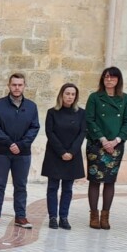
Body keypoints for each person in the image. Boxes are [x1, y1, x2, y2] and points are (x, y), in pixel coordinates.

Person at [0, 73, 40, 229]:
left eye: (20, 85)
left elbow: (34, 127)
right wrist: (10, 143)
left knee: (21, 186)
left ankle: (21, 217)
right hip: (1, 152)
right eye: (14, 85)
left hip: (22, 154)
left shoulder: (31, 106)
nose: (17, 88)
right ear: (9, 85)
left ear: (24, 86)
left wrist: (21, 145)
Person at [85, 66, 127, 230]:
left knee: (109, 181)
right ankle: (94, 215)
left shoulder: (124, 98)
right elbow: (89, 120)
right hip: (96, 144)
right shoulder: (95, 97)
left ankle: (105, 216)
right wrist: (104, 140)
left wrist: (116, 140)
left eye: (112, 77)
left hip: (116, 145)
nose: (109, 80)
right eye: (106, 77)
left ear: (118, 80)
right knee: (94, 181)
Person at [41, 83, 86, 230]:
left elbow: (82, 134)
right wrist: (62, 152)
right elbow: (50, 133)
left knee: (68, 188)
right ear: (61, 95)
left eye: (73, 94)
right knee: (53, 187)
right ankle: (53, 217)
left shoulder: (81, 113)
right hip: (55, 154)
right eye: (67, 93)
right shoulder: (52, 112)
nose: (70, 97)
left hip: (73, 155)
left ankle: (64, 217)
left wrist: (71, 152)